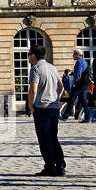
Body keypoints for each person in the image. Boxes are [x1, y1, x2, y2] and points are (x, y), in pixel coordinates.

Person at [27, 45, 65, 177]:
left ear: (33, 55)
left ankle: (49, 167)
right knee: (53, 138)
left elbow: (33, 89)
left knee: (44, 139)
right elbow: (61, 86)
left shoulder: (35, 68)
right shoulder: (53, 68)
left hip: (42, 107)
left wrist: (31, 105)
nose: (28, 57)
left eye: (29, 54)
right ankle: (60, 166)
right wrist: (56, 98)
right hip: (54, 107)